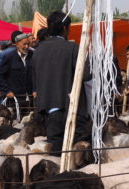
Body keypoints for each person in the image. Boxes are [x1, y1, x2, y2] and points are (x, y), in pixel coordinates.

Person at [32, 11, 92, 154]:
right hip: (72, 109)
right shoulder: (73, 48)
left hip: (49, 111)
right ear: (65, 28)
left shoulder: (37, 51)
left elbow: (36, 79)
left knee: (55, 153)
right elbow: (87, 75)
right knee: (76, 153)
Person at [0, 32, 33, 117]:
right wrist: (6, 91)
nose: (27, 46)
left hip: (29, 97)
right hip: (14, 98)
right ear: (17, 44)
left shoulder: (32, 56)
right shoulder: (9, 57)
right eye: (24, 44)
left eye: (28, 44)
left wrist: (35, 90)